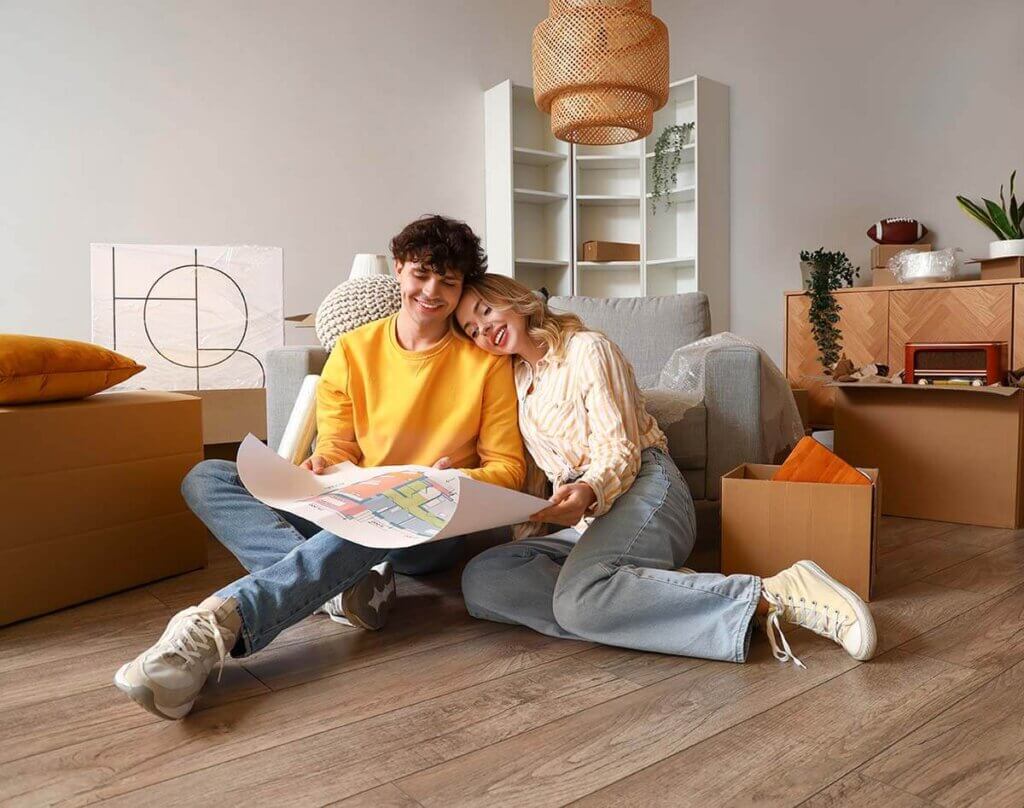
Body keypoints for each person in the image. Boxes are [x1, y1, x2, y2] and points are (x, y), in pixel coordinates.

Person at [114, 215, 526, 720]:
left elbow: (508, 471)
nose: (432, 291)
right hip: (354, 507)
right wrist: (326, 462)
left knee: (386, 502)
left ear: (461, 287)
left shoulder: (485, 363)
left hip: (427, 527)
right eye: (422, 273)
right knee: (207, 476)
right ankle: (343, 590)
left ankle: (218, 627)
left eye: (449, 281)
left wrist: (441, 481)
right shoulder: (354, 349)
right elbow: (339, 444)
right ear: (398, 269)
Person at [454, 275, 876, 668]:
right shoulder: (518, 379)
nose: (484, 329)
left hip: (645, 488)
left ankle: (777, 595)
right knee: (484, 580)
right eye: (472, 329)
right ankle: (655, 593)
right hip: (586, 524)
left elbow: (620, 449)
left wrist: (587, 489)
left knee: (578, 602)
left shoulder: (587, 349)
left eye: (486, 311)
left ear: (513, 300)